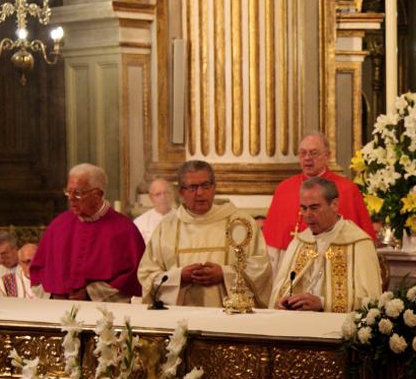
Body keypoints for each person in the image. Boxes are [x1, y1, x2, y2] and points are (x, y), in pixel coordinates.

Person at [138, 160, 272, 308]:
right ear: (181, 192)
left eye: (205, 185)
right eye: (192, 187)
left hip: (231, 318)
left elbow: (261, 268)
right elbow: (147, 275)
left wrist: (224, 273)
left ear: (214, 187)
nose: (200, 192)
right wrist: (179, 276)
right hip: (181, 319)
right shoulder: (166, 228)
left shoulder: (241, 223)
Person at [30, 163, 145, 302]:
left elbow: (133, 278)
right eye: (68, 191)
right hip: (58, 311)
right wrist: (54, 293)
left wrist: (90, 293)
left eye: (77, 193)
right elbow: (38, 273)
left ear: (98, 194)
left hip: (103, 313)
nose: (71, 198)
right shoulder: (58, 225)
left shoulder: (124, 230)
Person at [264, 132, 376, 272]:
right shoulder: (284, 189)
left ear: (327, 156)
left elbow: (362, 244)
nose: (307, 158)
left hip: (335, 264)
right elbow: (273, 249)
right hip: (291, 264)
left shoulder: (347, 189)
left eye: (314, 153)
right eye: (303, 153)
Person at [269, 176, 381, 312]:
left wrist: (323, 303)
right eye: (304, 208)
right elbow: (278, 292)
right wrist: (284, 301)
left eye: (314, 208)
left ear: (334, 205)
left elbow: (371, 301)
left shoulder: (358, 243)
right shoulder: (299, 242)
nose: (308, 215)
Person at [133, 178, 175, 243]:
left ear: (172, 195)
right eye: (158, 194)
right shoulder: (140, 223)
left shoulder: (183, 218)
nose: (163, 197)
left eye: (166, 193)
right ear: (151, 198)